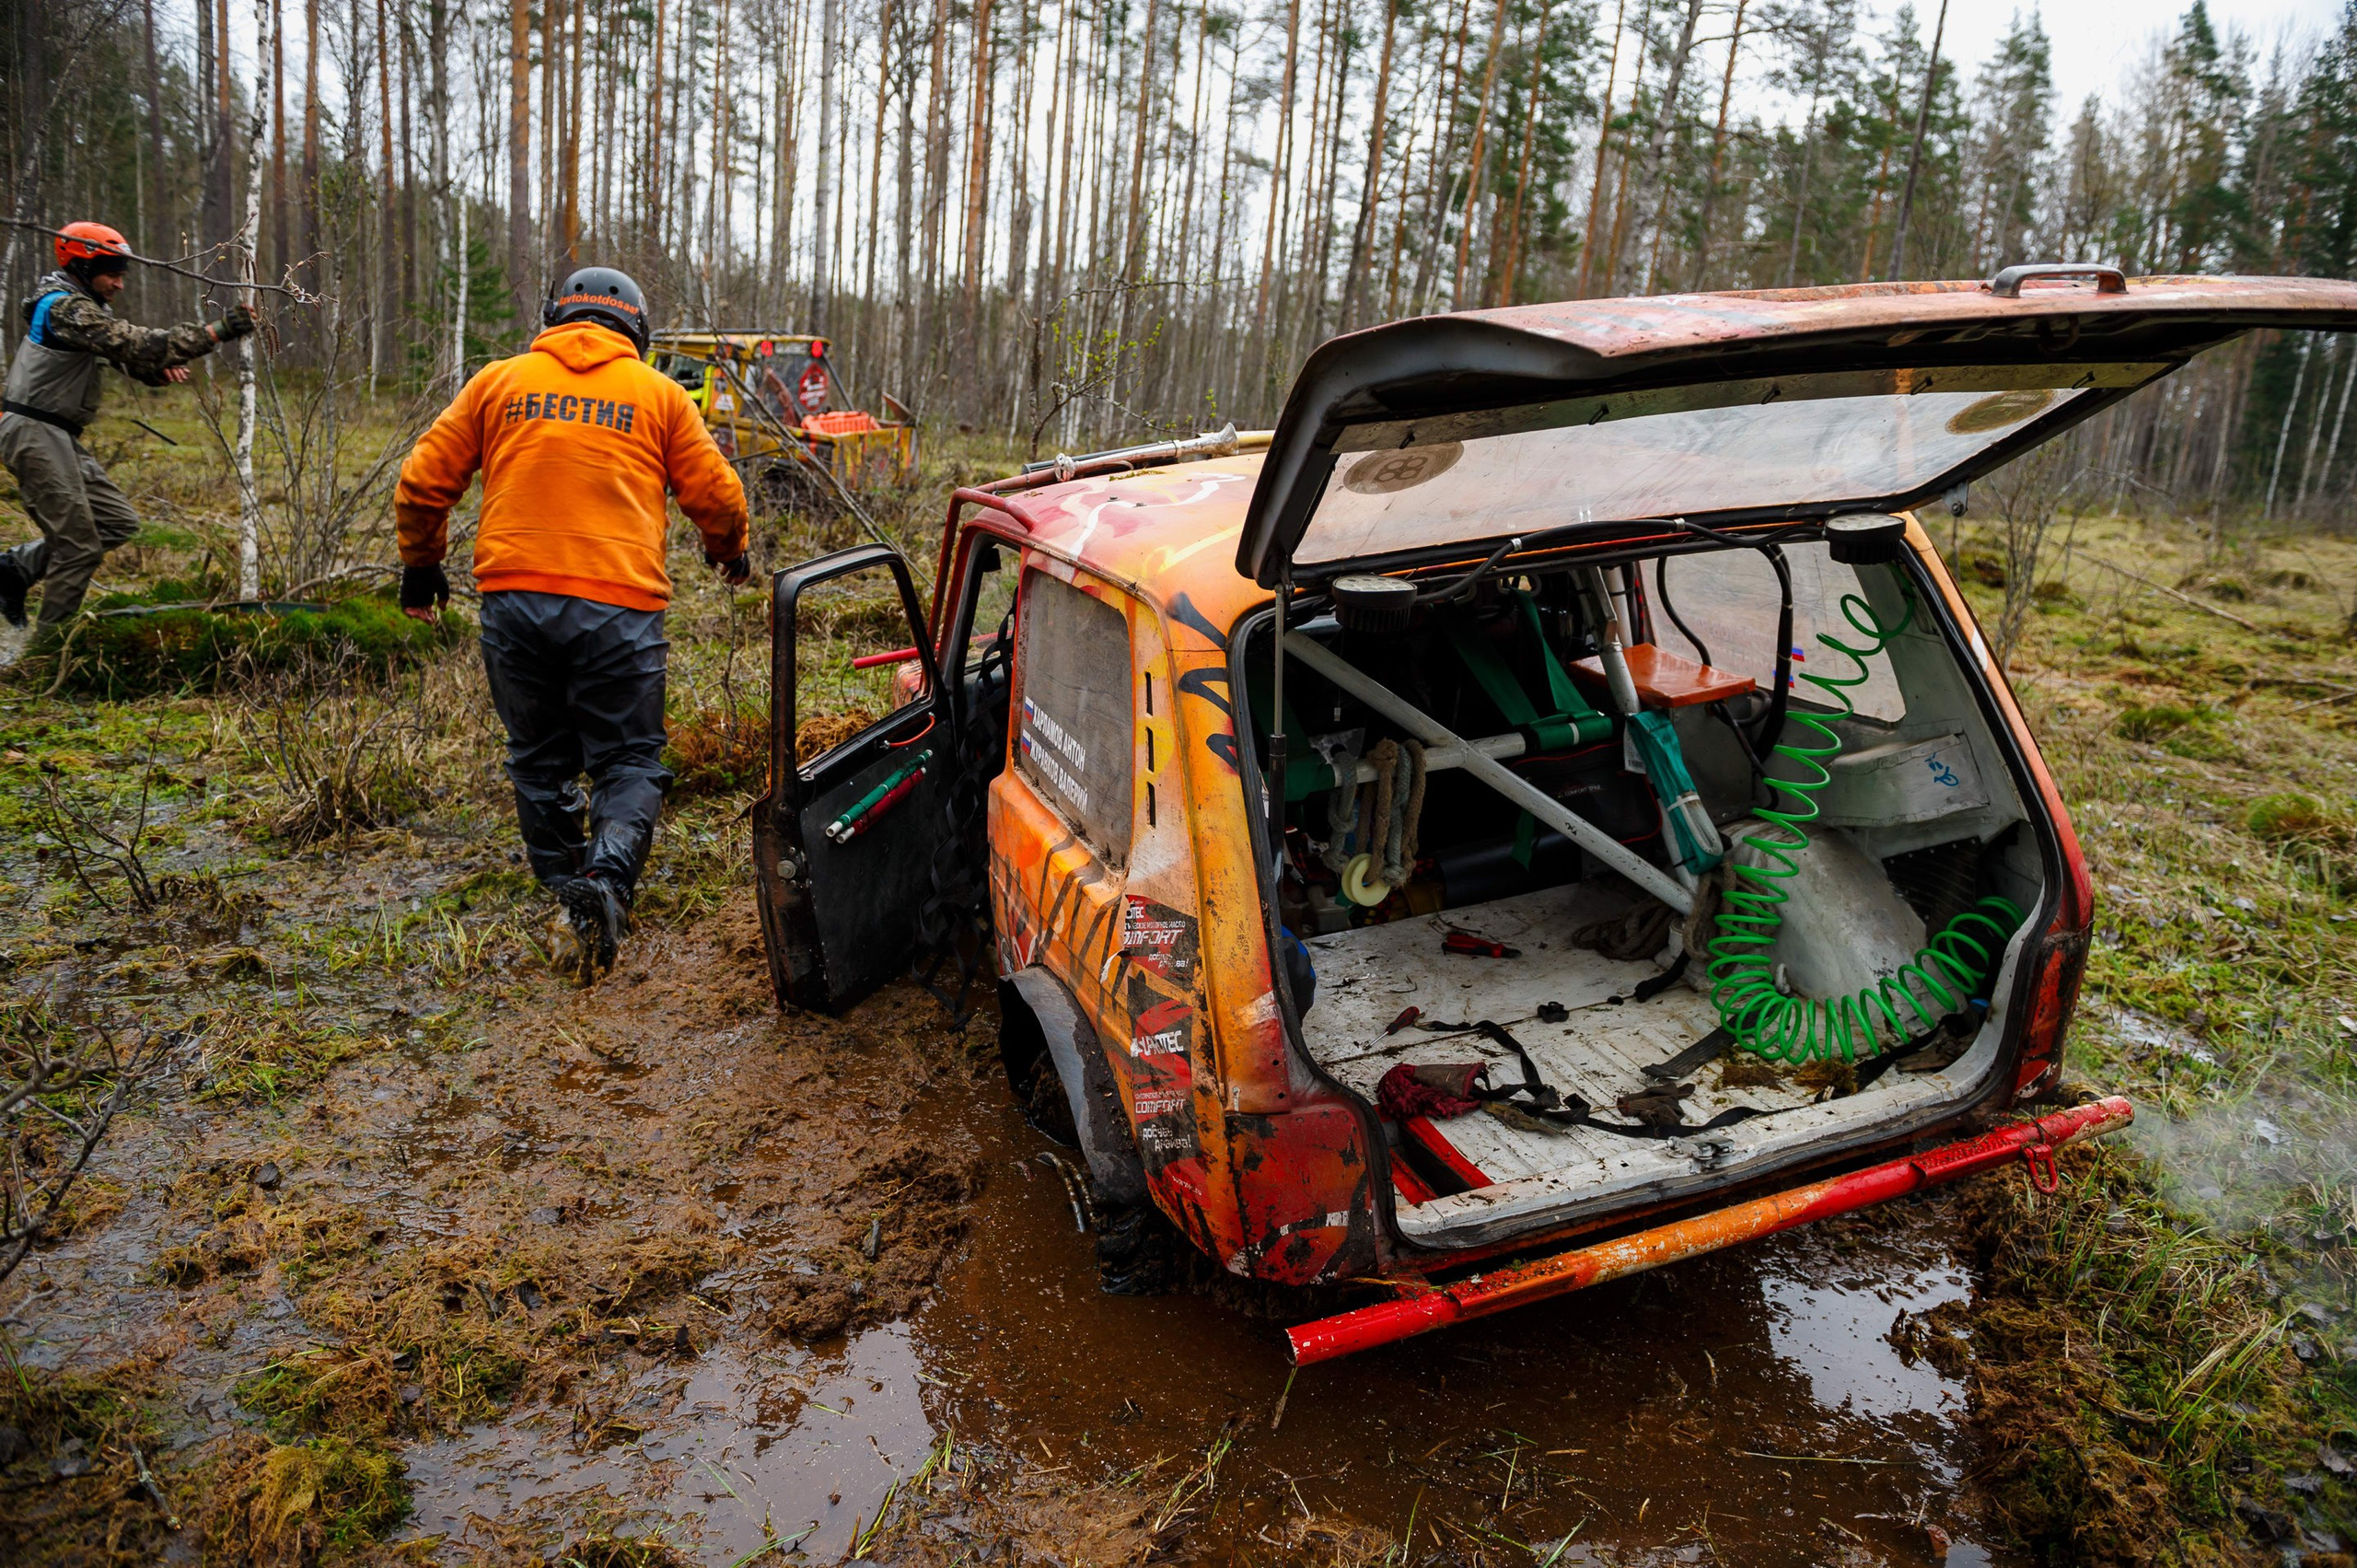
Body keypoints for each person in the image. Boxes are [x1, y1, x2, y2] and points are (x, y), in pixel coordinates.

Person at [394, 266, 749, 976]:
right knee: (627, 759)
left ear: (555, 315)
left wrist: (421, 564)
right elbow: (717, 494)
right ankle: (605, 882)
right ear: (638, 332)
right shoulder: (659, 394)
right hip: (621, 606)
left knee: (538, 755)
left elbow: (422, 481)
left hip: (513, 600)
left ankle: (563, 892)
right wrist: (729, 550)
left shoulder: (499, 381)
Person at [0, 221, 254, 632]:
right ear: (82, 267)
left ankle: (14, 569)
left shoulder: (85, 309)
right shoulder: (65, 308)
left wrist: (154, 372)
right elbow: (134, 343)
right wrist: (215, 332)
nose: (119, 284)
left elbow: (128, 358)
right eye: (112, 273)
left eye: (122, 274)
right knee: (79, 547)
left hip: (57, 435)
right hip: (33, 432)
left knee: (117, 522)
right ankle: (50, 649)